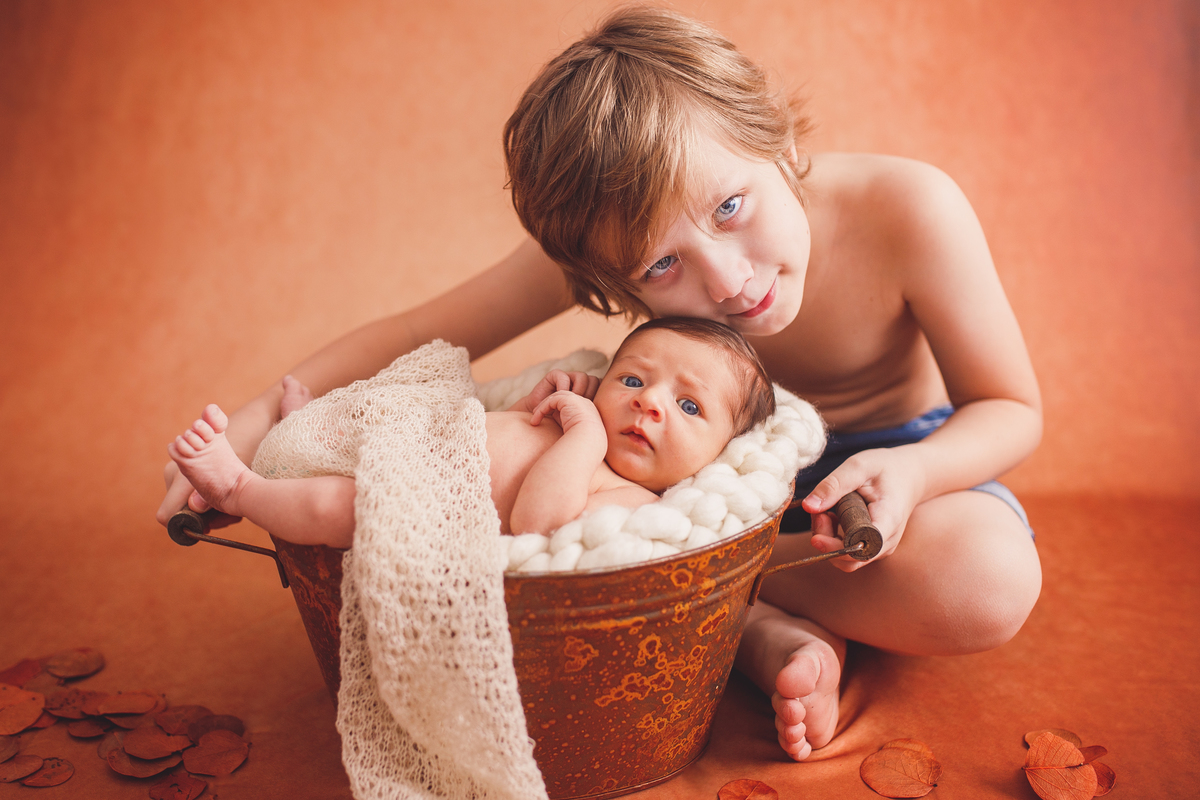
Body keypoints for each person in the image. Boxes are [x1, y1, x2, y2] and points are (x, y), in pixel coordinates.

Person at [156, 6, 1042, 762]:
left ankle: (732, 611)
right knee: (567, 520)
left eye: (731, 207)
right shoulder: (606, 235)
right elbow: (417, 332)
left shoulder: (910, 208)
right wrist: (250, 428)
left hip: (875, 486)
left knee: (986, 577)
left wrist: (917, 476)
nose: (730, 280)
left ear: (767, 128)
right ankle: (741, 608)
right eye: (662, 268)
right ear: (607, 279)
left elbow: (1012, 408)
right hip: (686, 492)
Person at [167, 317, 775, 546]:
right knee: (402, 393)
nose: (651, 406)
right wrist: (555, 395)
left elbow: (541, 522)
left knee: (337, 506)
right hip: (425, 437)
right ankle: (306, 424)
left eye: (689, 407)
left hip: (416, 503)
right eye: (634, 380)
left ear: (722, 453)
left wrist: (585, 436)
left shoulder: (636, 499)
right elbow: (512, 412)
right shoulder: (589, 407)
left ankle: (239, 490)